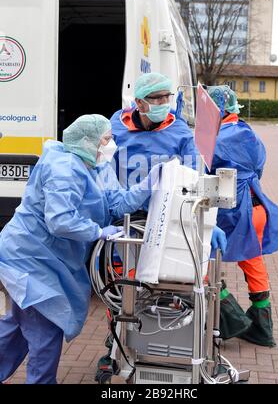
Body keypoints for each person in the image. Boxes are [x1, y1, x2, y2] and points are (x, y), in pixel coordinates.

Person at [0, 114, 161, 384]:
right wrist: (97, 231)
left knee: (17, 327)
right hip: (29, 258)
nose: (111, 145)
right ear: (87, 141)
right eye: (106, 140)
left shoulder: (94, 166)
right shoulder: (63, 167)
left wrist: (146, 187)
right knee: (46, 332)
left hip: (44, 260)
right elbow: (60, 220)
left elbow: (114, 203)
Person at [94, 73, 228, 382]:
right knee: (120, 288)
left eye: (167, 97)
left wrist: (209, 220)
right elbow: (99, 166)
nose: (164, 104)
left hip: (165, 222)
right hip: (123, 223)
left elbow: (197, 176)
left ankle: (181, 345)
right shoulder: (116, 126)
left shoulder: (179, 132)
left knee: (170, 285)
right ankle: (114, 343)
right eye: (156, 99)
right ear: (139, 103)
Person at [208, 85, 278, 347]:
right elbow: (258, 169)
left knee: (201, 260)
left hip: (231, 215)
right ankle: (263, 328)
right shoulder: (249, 133)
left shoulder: (215, 136)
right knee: (253, 261)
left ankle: (232, 319)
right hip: (256, 208)